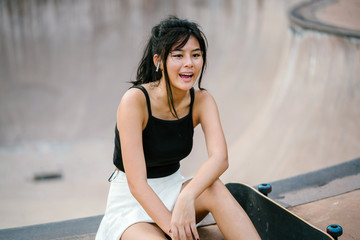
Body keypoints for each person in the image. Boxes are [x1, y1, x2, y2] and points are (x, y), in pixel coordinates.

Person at [96, 16, 260, 240]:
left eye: (196, 55)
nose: (189, 63)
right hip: (132, 204)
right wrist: (175, 232)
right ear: (159, 61)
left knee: (214, 188)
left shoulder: (202, 101)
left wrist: (187, 196)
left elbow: (220, 158)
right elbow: (137, 184)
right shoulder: (135, 102)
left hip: (174, 190)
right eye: (178, 55)